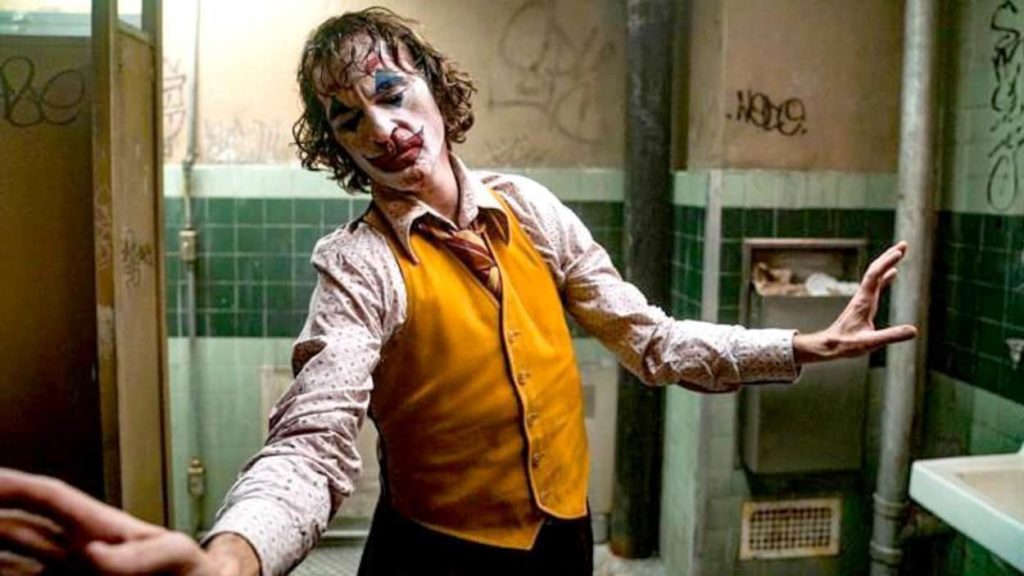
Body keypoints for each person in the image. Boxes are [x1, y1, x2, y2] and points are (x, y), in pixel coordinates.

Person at [0, 7, 916, 576]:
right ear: (337, 145)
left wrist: (799, 345)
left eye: (391, 91)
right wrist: (231, 559)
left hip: (563, 541)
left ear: (436, 88)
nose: (381, 127)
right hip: (436, 558)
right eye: (348, 118)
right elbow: (311, 446)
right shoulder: (359, 264)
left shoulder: (532, 210)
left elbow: (650, 339)